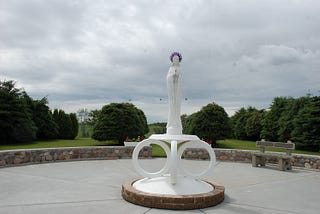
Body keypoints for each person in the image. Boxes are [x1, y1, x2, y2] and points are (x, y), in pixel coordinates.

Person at [166, 52, 183, 135]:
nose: (175, 60)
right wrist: (172, 75)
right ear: (172, 60)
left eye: (177, 59)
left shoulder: (180, 69)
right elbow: (168, 78)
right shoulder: (170, 69)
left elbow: (182, 79)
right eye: (174, 59)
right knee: (172, 105)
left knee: (177, 106)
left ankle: (177, 124)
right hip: (172, 90)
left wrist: (178, 77)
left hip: (177, 90)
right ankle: (171, 123)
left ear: (179, 60)